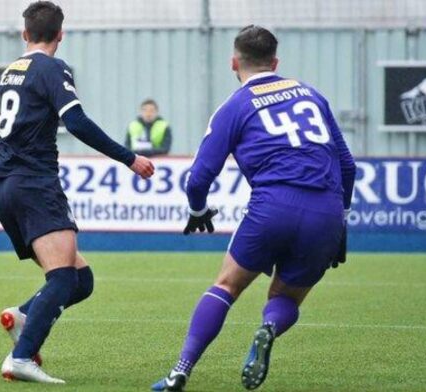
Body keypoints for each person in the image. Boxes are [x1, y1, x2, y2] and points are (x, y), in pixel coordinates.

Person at [151, 25, 355, 391]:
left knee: (226, 286)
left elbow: (198, 178)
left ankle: (179, 371)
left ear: (234, 62)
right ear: (275, 62)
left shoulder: (235, 106)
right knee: (285, 298)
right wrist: (341, 223)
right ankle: (268, 328)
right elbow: (348, 165)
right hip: (325, 210)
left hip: (273, 205)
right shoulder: (312, 95)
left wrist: (198, 211)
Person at [0, 1, 154, 384]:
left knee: (81, 280)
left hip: (6, 187)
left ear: (24, 34)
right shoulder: (51, 67)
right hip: (34, 184)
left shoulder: (5, 75)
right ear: (61, 35)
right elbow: (74, 120)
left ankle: (24, 316)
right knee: (61, 279)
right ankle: (21, 357)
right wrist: (128, 158)